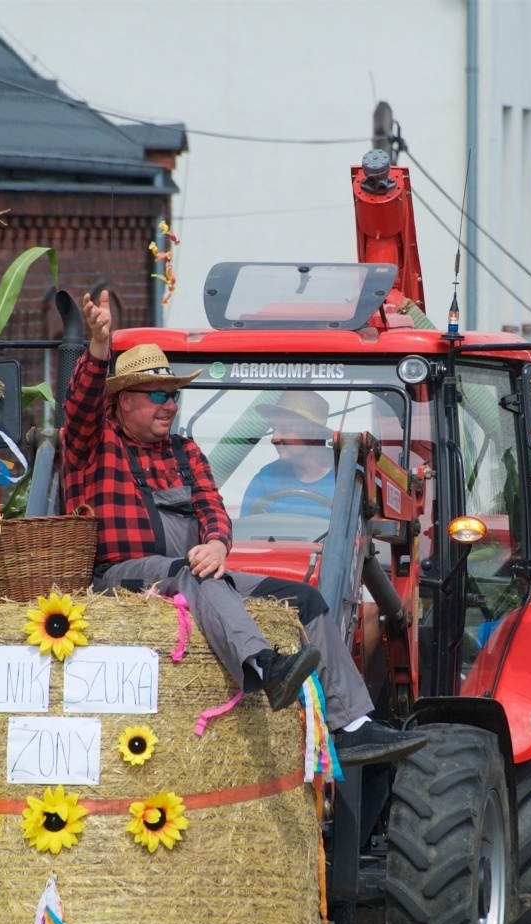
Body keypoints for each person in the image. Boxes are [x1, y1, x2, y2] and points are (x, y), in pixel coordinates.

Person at [60, 291, 425, 766]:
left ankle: (353, 726)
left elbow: (213, 508)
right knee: (193, 578)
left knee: (307, 600)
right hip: (121, 576)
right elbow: (79, 405)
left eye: (174, 394)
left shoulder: (185, 452)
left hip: (191, 572)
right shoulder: (93, 442)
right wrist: (99, 347)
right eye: (157, 395)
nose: (169, 405)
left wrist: (216, 542)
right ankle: (267, 669)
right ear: (122, 401)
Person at [244, 391, 336, 520]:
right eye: (274, 430)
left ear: (313, 432)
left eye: (285, 430)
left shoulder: (351, 477)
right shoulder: (265, 479)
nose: (274, 439)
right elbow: (246, 533)